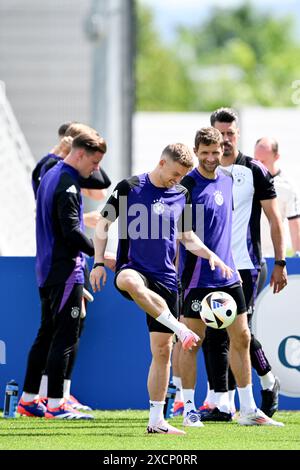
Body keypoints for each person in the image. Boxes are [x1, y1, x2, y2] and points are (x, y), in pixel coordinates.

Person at [89, 143, 233, 435]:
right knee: (128, 281)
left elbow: (187, 235)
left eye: (182, 176)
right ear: (162, 162)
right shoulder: (130, 187)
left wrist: (210, 254)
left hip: (167, 279)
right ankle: (180, 329)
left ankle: (156, 420)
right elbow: (103, 223)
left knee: (162, 352)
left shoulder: (183, 193)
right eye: (176, 174)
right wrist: (98, 263)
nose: (177, 180)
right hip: (133, 269)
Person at [178, 127, 283, 427]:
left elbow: (225, 230)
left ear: (223, 151)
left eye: (216, 152)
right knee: (192, 342)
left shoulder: (226, 182)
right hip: (198, 275)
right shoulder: (187, 186)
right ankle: (188, 409)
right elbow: (185, 236)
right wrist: (210, 257)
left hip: (229, 274)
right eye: (205, 152)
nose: (212, 158)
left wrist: (227, 262)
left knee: (242, 336)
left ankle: (248, 408)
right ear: (196, 151)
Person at [17, 130, 107, 419]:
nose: (96, 170)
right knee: (64, 336)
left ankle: (30, 399)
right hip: (65, 268)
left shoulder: (52, 172)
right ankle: (56, 404)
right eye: (94, 162)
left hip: (47, 267)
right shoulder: (66, 183)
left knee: (46, 334)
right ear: (79, 154)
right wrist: (101, 253)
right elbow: (71, 234)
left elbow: (100, 183)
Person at [254, 137, 300, 257]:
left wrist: (297, 256)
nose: (258, 166)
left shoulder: (287, 187)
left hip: (273, 257)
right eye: (256, 161)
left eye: (263, 162)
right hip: (248, 256)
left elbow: (294, 224)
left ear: (276, 157)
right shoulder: (246, 180)